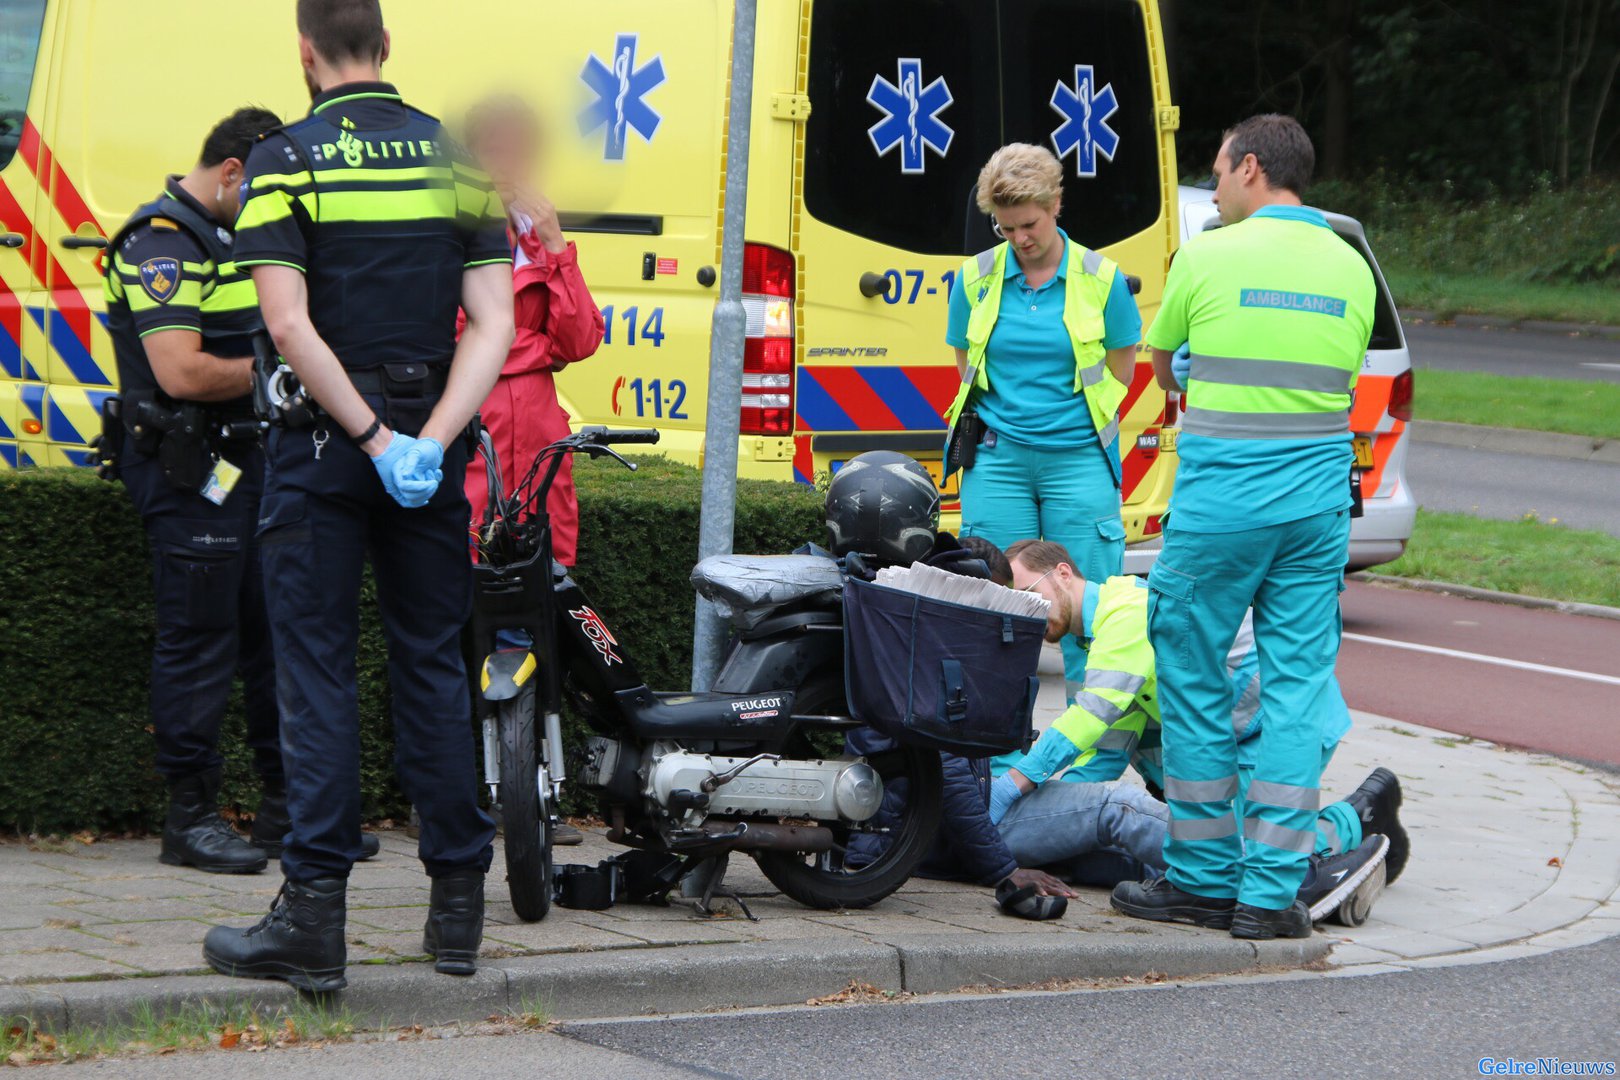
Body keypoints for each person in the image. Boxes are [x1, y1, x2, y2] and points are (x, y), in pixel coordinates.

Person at [202, 0, 515, 992]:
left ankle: (313, 918)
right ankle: (457, 911)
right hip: (428, 439)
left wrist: (369, 438)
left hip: (322, 446)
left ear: (306, 53)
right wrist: (426, 441)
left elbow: (288, 327)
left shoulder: (284, 162)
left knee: (317, 675)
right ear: (386, 44)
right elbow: (494, 325)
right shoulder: (457, 159)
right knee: (433, 666)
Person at [1116, 114, 1378, 941]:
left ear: (1252, 168)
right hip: (1316, 511)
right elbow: (1335, 378)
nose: (1218, 186)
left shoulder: (1207, 256)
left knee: (1194, 679)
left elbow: (1165, 370)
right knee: (1296, 692)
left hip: (1222, 509)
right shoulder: (1352, 265)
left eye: (1220, 171)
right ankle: (1269, 897)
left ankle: (1201, 882)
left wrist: (1194, 367)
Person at [994, 539, 1404, 925]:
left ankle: (1356, 820)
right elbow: (1107, 752)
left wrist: (1015, 784)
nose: (1029, 612)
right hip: (1244, 733)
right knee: (1221, 850)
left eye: (1030, 594)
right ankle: (1350, 834)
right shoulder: (1104, 633)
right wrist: (1055, 821)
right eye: (1018, 604)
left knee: (1245, 855)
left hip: (1279, 728)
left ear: (1063, 573)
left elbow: (1089, 716)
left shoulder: (1125, 614)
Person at [104, 107, 285, 876]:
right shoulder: (162, 243)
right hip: (188, 470)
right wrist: (283, 369)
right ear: (232, 172)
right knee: (201, 637)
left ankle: (286, 810)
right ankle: (190, 818)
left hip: (248, 464)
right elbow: (180, 371)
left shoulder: (229, 235)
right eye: (266, 190)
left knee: (273, 633)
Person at [941, 143, 1141, 721]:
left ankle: (1094, 749)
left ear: (1056, 204)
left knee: (1089, 616)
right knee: (996, 612)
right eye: (1006, 228)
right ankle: (994, 752)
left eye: (1029, 224)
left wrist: (1064, 424)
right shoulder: (974, 277)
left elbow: (1121, 372)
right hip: (998, 460)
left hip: (1078, 459)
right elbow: (966, 363)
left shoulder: (1103, 280)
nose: (1019, 238)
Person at [460, 94, 604, 572]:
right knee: (468, 575)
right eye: (495, 152)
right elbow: (456, 342)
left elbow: (580, 341)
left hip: (539, 442)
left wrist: (556, 242)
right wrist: (541, 348)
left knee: (545, 578)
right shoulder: (451, 237)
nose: (509, 166)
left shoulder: (536, 241)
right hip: (477, 435)